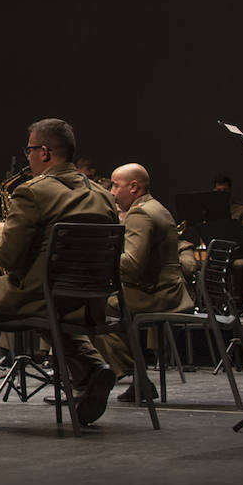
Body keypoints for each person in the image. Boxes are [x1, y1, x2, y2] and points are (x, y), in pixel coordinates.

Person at [0, 119, 118, 427]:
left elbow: (10, 259)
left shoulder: (33, 192)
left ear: (43, 152)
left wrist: (0, 232)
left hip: (40, 293)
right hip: (90, 298)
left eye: (29, 151)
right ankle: (93, 369)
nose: (27, 158)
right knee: (42, 311)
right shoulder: (104, 195)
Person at [95, 163, 193, 401]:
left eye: (116, 186)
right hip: (168, 290)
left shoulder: (140, 214)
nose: (112, 192)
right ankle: (138, 378)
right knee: (106, 308)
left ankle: (125, 374)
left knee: (91, 311)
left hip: (157, 294)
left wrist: (98, 256)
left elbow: (131, 266)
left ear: (134, 187)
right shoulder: (155, 206)